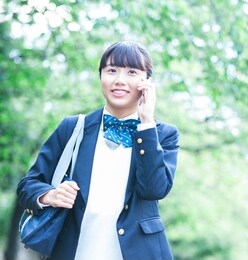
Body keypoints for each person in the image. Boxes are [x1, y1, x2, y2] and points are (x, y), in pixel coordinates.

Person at [17, 41, 180, 260]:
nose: (119, 80)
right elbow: (28, 185)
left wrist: (146, 124)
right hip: (74, 251)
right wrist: (50, 195)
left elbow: (154, 190)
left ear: (147, 82)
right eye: (112, 70)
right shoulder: (73, 128)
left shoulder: (162, 134)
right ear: (101, 76)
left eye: (132, 72)